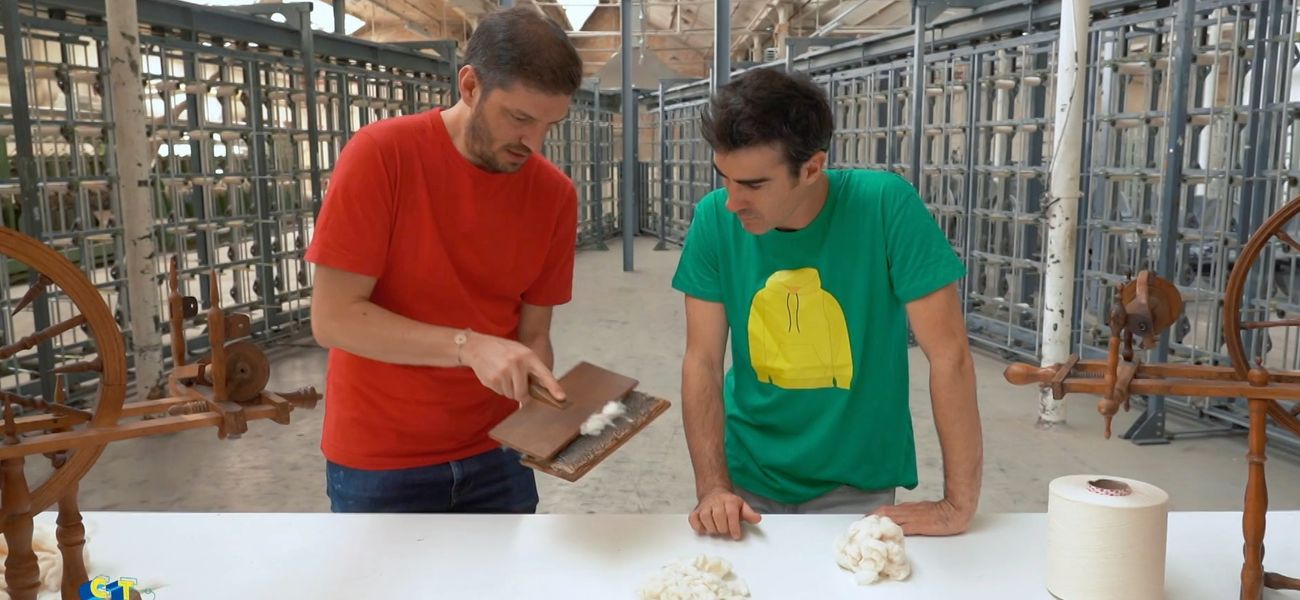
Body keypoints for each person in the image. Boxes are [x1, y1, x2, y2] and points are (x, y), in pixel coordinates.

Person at [671, 67, 983, 539]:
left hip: (855, 479)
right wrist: (713, 487)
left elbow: (949, 356)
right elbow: (702, 360)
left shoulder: (885, 207)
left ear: (812, 168)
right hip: (747, 476)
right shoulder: (714, 220)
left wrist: (957, 505)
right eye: (725, 178)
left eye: (754, 184)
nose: (733, 201)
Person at [305, 7, 583, 513]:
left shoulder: (555, 196)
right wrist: (469, 346)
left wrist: (538, 399)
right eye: (520, 119)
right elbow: (333, 318)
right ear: (470, 86)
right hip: (382, 460)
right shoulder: (382, 156)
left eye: (550, 124)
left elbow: (534, 332)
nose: (534, 143)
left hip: (499, 452)